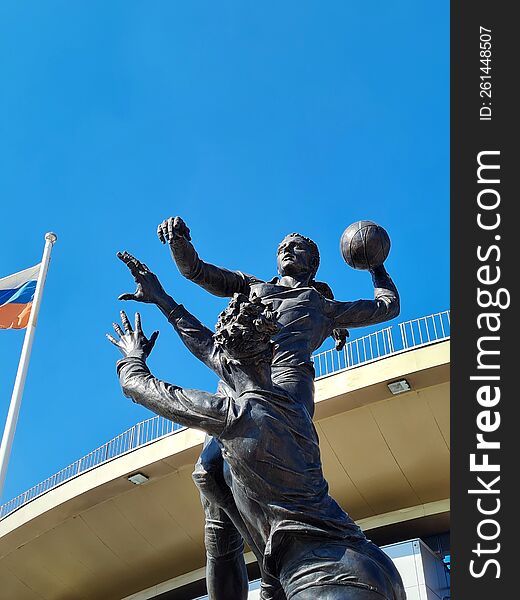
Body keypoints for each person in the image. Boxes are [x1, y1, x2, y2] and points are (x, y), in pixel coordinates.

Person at [118, 219, 399, 599]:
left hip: (283, 387)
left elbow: (387, 306)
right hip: (235, 374)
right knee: (213, 495)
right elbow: (195, 271)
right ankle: (270, 574)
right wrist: (180, 241)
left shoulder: (321, 304)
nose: (288, 250)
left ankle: (274, 570)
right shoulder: (252, 289)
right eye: (284, 245)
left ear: (312, 264)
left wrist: (375, 266)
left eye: (299, 248)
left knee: (214, 470)